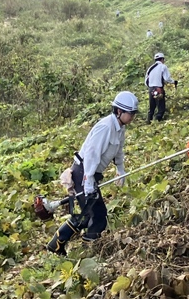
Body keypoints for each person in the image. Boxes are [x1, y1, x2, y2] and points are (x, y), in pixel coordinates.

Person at [47, 91, 138, 255]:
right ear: (119, 111)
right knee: (97, 217)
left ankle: (56, 246)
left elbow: (118, 150)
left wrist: (120, 169)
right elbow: (92, 155)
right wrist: (88, 181)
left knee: (88, 215)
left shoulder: (120, 128)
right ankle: (88, 253)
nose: (132, 117)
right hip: (84, 172)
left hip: (90, 175)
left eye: (133, 113)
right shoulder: (106, 127)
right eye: (130, 113)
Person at [145, 52, 177, 124]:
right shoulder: (163, 66)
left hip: (151, 89)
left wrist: (151, 87)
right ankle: (157, 121)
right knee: (161, 107)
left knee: (152, 107)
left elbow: (146, 81)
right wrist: (174, 82)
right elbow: (167, 78)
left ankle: (148, 122)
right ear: (162, 59)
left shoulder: (150, 68)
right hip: (159, 89)